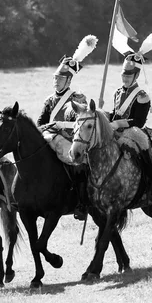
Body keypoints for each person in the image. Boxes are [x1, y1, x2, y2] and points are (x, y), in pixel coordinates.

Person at [37, 35, 97, 221]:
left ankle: (81, 203)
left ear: (69, 80)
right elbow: (40, 123)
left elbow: (81, 123)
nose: (56, 81)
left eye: (61, 78)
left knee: (79, 167)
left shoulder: (77, 98)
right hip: (50, 137)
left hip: (72, 140)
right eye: (56, 77)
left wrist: (59, 126)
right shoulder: (49, 100)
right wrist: (49, 127)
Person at [109, 29, 152, 197]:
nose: (125, 78)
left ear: (137, 74)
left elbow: (138, 122)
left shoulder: (142, 96)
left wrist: (118, 123)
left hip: (134, 132)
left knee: (146, 155)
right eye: (124, 74)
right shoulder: (118, 92)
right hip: (115, 130)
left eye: (129, 75)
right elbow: (115, 113)